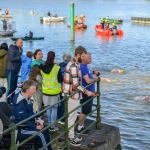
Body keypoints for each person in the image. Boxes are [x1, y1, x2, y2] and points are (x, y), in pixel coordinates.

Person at [62, 46, 94, 146]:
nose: (83, 58)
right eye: (83, 56)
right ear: (78, 55)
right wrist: (86, 91)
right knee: (71, 117)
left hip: (71, 94)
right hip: (72, 95)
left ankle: (71, 135)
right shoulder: (74, 66)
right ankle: (71, 138)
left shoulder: (73, 64)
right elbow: (76, 84)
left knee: (72, 116)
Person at [11, 80, 53, 150]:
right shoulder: (20, 102)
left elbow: (29, 114)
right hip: (20, 129)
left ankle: (49, 148)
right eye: (33, 90)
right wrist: (35, 127)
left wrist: (37, 120)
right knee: (40, 134)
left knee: (45, 128)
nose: (35, 91)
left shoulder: (26, 97)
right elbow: (22, 120)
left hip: (26, 125)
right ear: (27, 91)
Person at [77, 53, 99, 135]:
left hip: (90, 92)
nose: (91, 59)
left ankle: (81, 126)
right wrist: (95, 79)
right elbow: (88, 81)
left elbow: (87, 75)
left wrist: (93, 72)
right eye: (89, 58)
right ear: (84, 58)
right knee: (84, 111)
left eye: (91, 58)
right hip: (87, 92)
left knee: (86, 110)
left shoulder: (85, 67)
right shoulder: (83, 67)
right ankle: (79, 127)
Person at [41, 51, 63, 131]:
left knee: (48, 108)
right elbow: (60, 79)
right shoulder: (57, 68)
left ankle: (49, 124)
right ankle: (53, 126)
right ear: (54, 57)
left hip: (45, 90)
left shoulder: (42, 67)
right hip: (54, 91)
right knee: (54, 108)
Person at [6, 39, 23, 105]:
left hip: (16, 70)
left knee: (14, 87)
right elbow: (11, 58)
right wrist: (20, 58)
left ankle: (12, 101)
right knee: (10, 87)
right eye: (21, 42)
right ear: (16, 42)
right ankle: (7, 102)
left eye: (22, 42)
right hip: (11, 70)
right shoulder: (12, 48)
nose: (22, 44)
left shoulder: (20, 49)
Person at [57, 52, 71, 124]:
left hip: (59, 86)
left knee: (59, 102)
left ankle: (58, 117)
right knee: (65, 103)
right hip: (66, 86)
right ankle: (63, 119)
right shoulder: (69, 67)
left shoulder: (59, 65)